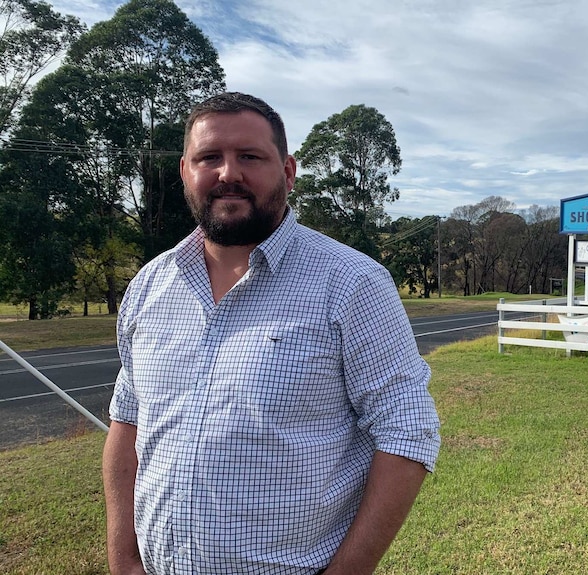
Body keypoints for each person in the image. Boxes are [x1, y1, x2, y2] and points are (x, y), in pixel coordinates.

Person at [102, 92, 441, 575]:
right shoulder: (150, 286)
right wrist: (124, 560)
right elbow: (127, 421)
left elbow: (407, 434)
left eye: (249, 157)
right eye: (209, 158)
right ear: (184, 171)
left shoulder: (352, 283)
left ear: (287, 172)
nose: (228, 174)